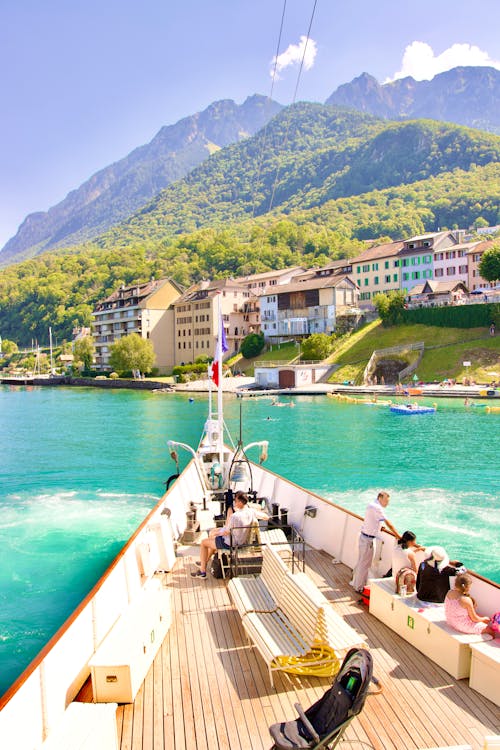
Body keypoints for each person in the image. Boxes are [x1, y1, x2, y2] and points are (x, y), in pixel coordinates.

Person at [191, 492, 255, 579]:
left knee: (203, 543)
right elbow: (265, 516)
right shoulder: (250, 512)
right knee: (212, 540)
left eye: (236, 501)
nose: (235, 503)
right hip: (240, 542)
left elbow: (227, 532)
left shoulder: (235, 516)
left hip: (230, 543)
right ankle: (204, 562)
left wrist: (218, 534)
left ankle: (202, 572)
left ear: (240, 502)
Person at [350, 491, 400, 594]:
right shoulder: (377, 508)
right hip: (368, 540)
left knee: (361, 562)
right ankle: (359, 588)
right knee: (364, 565)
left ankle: (356, 583)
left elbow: (373, 520)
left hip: (364, 537)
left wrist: (379, 527)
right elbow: (389, 523)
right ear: (380, 498)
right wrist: (398, 535)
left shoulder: (372, 505)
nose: (387, 503)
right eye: (386, 501)